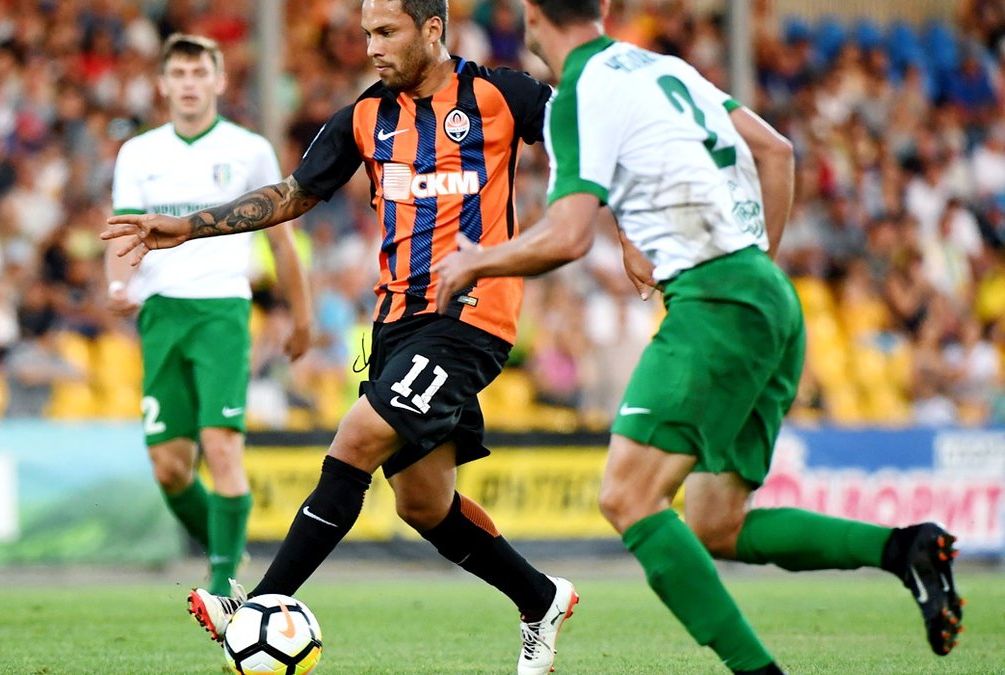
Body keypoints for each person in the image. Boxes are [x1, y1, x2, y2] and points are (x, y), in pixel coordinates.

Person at [431, 1, 965, 672]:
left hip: (713, 300)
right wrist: (755, 268)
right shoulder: (662, 68)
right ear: (601, 8)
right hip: (767, 294)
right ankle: (905, 548)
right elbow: (777, 151)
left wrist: (477, 260)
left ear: (533, 14)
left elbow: (567, 235)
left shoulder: (579, 93)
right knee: (717, 523)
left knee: (627, 497)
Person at [102, 3, 577, 673]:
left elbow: (586, 142)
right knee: (423, 503)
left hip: (470, 316)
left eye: (387, 32)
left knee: (354, 440)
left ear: (432, 29)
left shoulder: (501, 94)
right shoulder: (365, 115)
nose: (372, 47)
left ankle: (254, 605)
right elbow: (294, 193)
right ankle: (540, 598)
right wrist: (191, 225)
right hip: (395, 323)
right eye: (367, 35)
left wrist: (610, 229)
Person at [105, 34, 313, 598]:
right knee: (170, 467)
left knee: (221, 445)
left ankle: (223, 586)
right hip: (160, 312)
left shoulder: (249, 150)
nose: (189, 84)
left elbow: (283, 240)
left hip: (222, 308)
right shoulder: (138, 153)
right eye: (179, 74)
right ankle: (228, 548)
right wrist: (118, 283)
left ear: (219, 81)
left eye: (199, 73)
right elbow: (123, 233)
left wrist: (302, 316)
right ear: (163, 84)